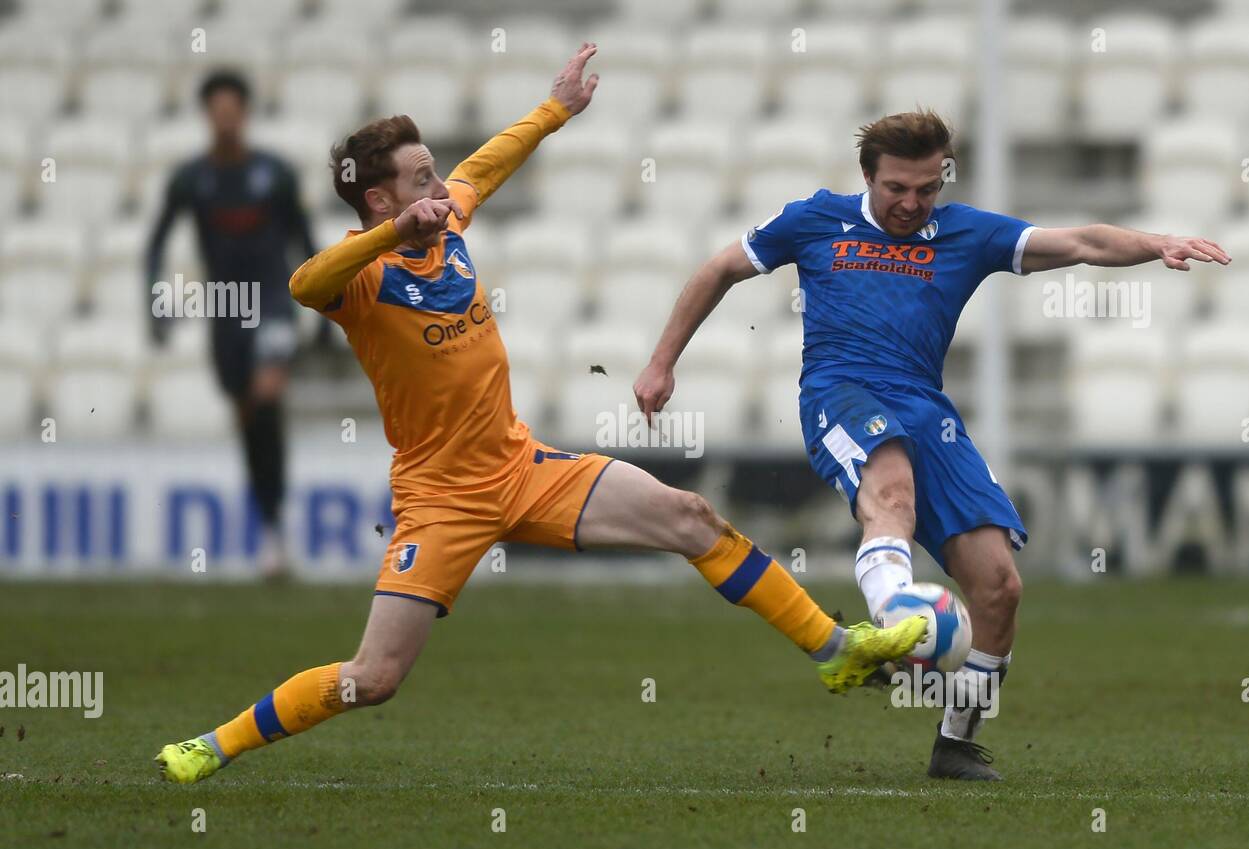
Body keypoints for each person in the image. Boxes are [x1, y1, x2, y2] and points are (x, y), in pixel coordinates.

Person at [155, 45, 927, 785]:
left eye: (435, 173)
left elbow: (486, 165)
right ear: (381, 200)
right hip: (440, 498)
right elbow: (300, 282)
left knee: (691, 517)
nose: (442, 185)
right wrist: (393, 234)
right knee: (376, 677)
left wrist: (554, 110)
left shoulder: (448, 218)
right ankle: (211, 745)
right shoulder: (361, 278)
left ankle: (836, 649)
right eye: (422, 177)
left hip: (522, 468)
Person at [634, 109, 1230, 780]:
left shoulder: (967, 233)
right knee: (889, 491)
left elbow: (1083, 242)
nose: (912, 204)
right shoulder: (814, 219)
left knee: (999, 587)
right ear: (868, 177)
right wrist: (662, 363)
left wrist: (1158, 243)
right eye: (897, 189)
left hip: (926, 409)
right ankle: (898, 617)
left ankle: (955, 743)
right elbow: (719, 269)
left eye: (926, 189)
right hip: (841, 392)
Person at [146, 69, 316, 577]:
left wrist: (333, 307)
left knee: (266, 396)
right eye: (216, 110)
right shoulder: (191, 179)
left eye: (232, 109)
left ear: (243, 113)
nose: (224, 119)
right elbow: (155, 242)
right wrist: (152, 304)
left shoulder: (276, 174)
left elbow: (305, 239)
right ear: (207, 115)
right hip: (225, 308)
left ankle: (275, 527)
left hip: (273, 301)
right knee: (249, 417)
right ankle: (272, 528)